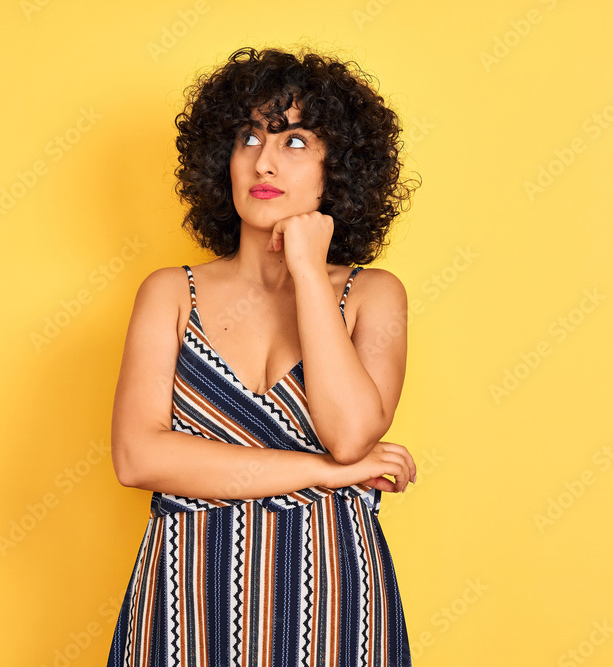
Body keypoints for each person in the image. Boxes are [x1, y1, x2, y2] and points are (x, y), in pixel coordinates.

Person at [106, 45, 421, 667]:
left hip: (332, 597)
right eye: (248, 138)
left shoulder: (373, 295)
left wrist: (306, 269)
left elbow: (351, 436)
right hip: (186, 599)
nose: (263, 161)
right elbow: (137, 458)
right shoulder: (170, 293)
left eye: (294, 142)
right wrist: (323, 473)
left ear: (340, 168)